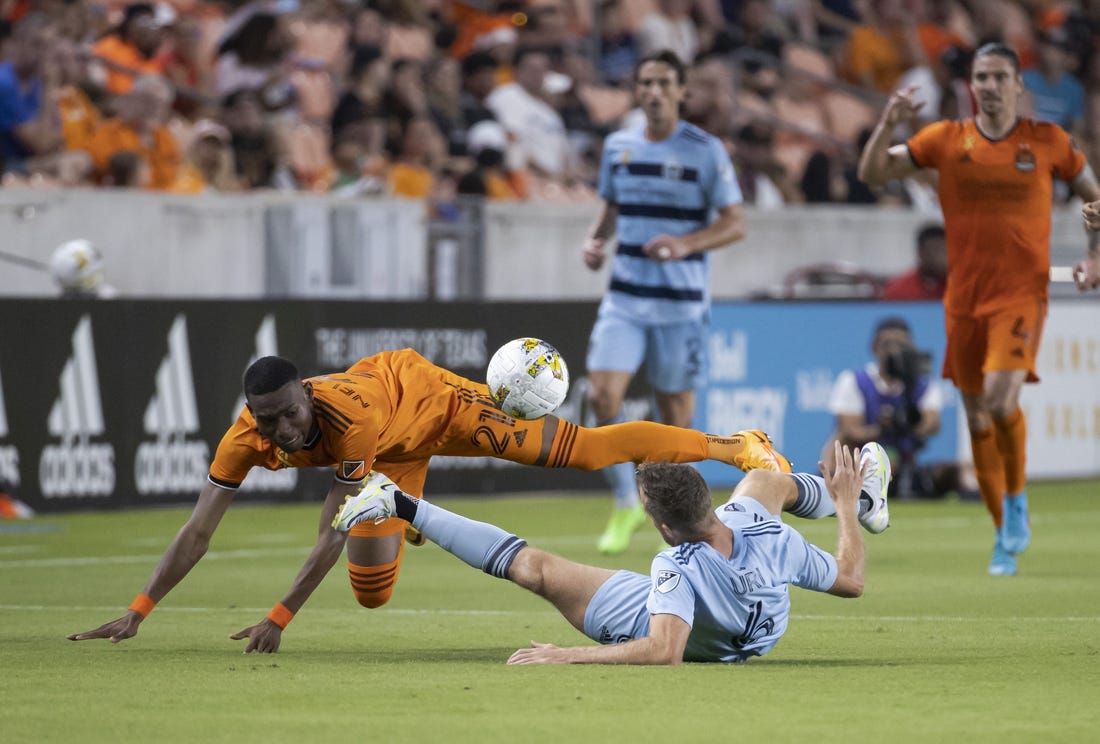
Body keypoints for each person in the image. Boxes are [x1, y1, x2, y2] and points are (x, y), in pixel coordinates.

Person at [67, 350, 791, 652]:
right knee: (372, 594)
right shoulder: (244, 441)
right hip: (391, 461)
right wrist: (138, 611)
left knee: (588, 449)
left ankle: (732, 445)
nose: (284, 429)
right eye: (269, 420)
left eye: (290, 412)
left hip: (438, 406)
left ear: (305, 394)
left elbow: (331, 522)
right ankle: (404, 508)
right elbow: (197, 532)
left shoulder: (345, 417)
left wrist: (278, 615)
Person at [858, 42, 1100, 576]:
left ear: (1019, 85)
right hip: (964, 299)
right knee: (974, 416)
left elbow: (1093, 196)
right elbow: (873, 174)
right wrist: (887, 125)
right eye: (980, 77)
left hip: (1020, 294)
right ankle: (1003, 529)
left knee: (997, 398)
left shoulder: (1047, 142)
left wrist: (1093, 255)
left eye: (998, 77)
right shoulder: (946, 139)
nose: (988, 85)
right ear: (971, 85)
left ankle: (1016, 499)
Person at [331, 440, 890, 664]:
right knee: (768, 481)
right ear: (711, 503)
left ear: (666, 529)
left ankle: (401, 504)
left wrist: (563, 655)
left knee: (537, 570)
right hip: (757, 627)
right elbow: (852, 580)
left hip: (666, 615)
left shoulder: (673, 566)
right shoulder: (770, 533)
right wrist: (844, 506)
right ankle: (864, 496)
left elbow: (663, 650)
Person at [582, 50, 745, 555]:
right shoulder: (618, 145)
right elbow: (613, 203)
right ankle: (626, 501)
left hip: (681, 306)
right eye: (645, 82)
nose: (652, 91)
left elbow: (734, 223)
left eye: (662, 83)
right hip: (625, 299)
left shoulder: (705, 149)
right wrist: (596, 239)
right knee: (602, 397)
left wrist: (685, 244)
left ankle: (679, 522)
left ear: (681, 92)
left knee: (675, 420)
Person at [824, 317, 961, 500]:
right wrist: (882, 428)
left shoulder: (921, 386)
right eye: (888, 344)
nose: (895, 351)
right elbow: (849, 431)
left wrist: (910, 423)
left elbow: (932, 424)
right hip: (861, 466)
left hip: (904, 463)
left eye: (901, 345)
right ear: (875, 347)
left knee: (954, 472)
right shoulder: (855, 381)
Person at [880, 223, 947, 301]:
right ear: (921, 252)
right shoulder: (899, 289)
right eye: (934, 250)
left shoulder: (958, 286)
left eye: (944, 251)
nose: (940, 257)